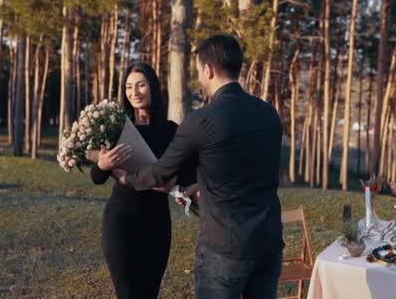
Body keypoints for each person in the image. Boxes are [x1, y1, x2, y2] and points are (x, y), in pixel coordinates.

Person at [117, 35, 284, 298]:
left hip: (224, 248)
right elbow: (248, 170)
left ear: (208, 70)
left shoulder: (202, 120)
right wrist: (199, 187)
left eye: (199, 72)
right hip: (269, 244)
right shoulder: (269, 113)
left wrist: (129, 178)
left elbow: (162, 171)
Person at [90, 62, 195, 299]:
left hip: (156, 225)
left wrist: (176, 183)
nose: (134, 92)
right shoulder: (116, 128)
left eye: (140, 85)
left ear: (153, 88)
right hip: (121, 224)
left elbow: (187, 173)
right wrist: (102, 164)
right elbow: (97, 178)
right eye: (128, 87)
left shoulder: (170, 130)